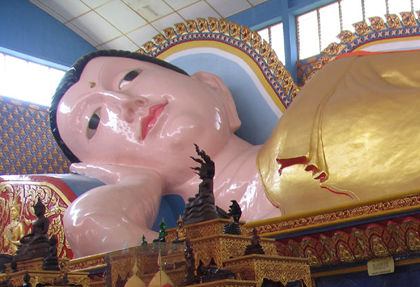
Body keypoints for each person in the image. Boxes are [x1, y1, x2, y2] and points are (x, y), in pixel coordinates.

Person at [50, 50, 279, 256]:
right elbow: (89, 225)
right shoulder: (186, 242)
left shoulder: (308, 133)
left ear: (212, 86)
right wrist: (137, 183)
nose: (124, 103)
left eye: (129, 77)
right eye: (94, 120)